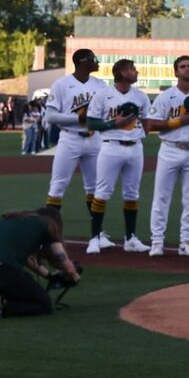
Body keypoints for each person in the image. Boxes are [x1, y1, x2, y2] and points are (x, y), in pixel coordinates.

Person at [0, 207, 80, 320]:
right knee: (44, 305)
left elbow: (27, 260)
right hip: (0, 272)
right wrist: (74, 275)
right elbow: (61, 257)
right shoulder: (48, 225)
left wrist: (49, 275)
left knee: (20, 289)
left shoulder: (11, 219)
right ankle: (1, 305)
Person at [83, 59, 148, 253]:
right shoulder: (103, 95)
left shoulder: (141, 96)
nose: (136, 72)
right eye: (132, 69)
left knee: (132, 193)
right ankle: (95, 238)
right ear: (121, 72)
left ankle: (131, 238)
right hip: (111, 146)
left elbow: (146, 122)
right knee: (102, 192)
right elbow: (91, 124)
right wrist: (114, 124)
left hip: (135, 147)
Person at [144, 55, 189, 257]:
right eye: (183, 66)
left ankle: (186, 241)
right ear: (176, 72)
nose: (187, 69)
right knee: (161, 196)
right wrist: (179, 121)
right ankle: (157, 241)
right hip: (169, 148)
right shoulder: (166, 96)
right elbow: (151, 124)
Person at [42, 49, 109, 216]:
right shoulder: (61, 84)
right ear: (82, 61)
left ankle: (97, 234)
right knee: (57, 186)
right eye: (94, 59)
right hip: (70, 138)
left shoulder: (101, 85)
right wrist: (78, 119)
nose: (97, 62)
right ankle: (49, 232)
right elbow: (50, 116)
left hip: (95, 139)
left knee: (95, 188)